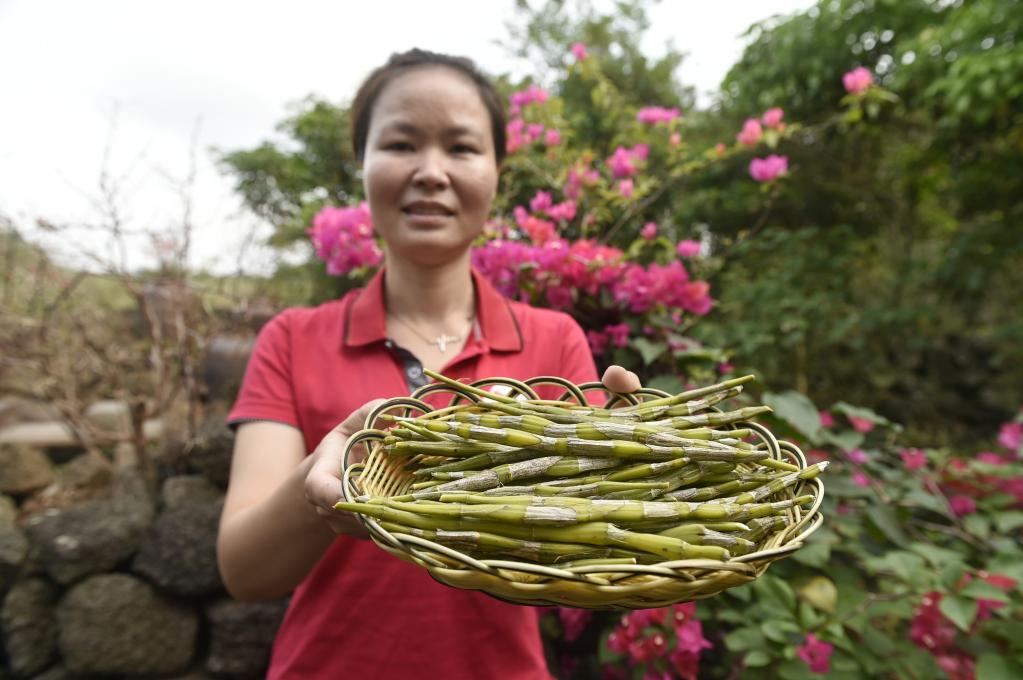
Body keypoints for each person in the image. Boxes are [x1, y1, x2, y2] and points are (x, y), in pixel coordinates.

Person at [216, 49, 641, 679]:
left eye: (462, 147)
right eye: (401, 143)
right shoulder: (292, 339)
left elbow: (581, 563)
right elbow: (244, 571)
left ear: (498, 171)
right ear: (361, 164)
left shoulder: (556, 341)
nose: (431, 172)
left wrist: (628, 467)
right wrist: (327, 486)